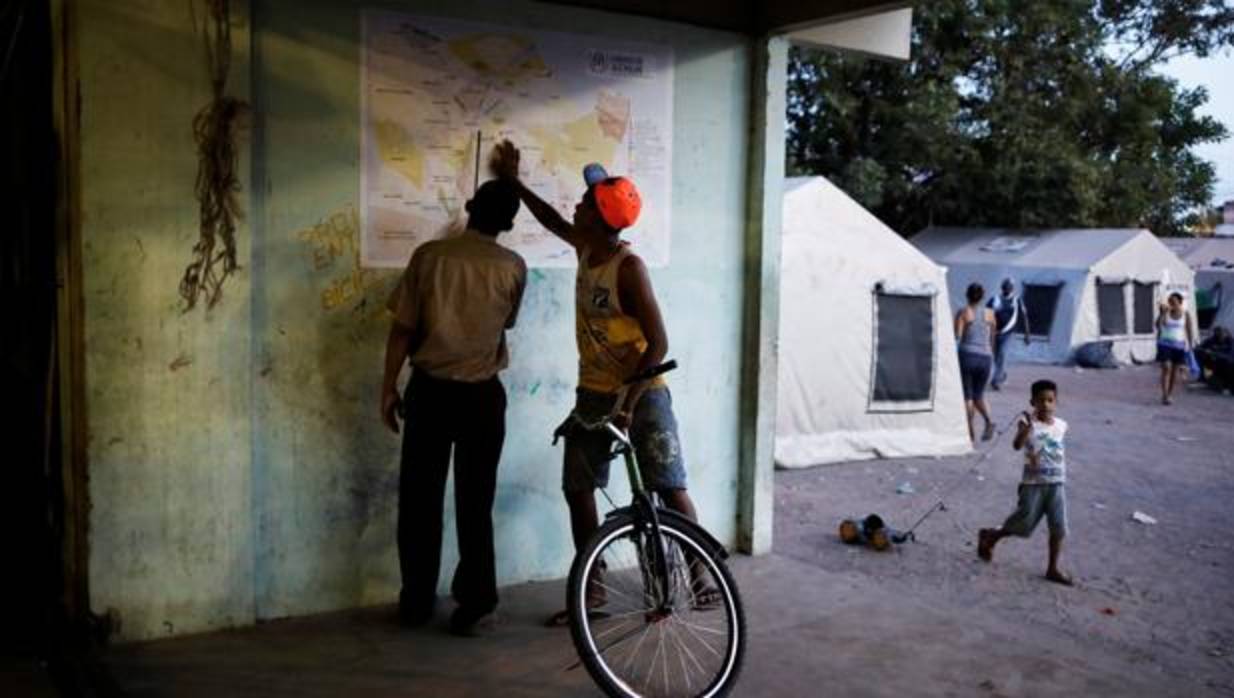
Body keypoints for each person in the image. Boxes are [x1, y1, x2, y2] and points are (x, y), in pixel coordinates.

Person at [489, 140, 713, 626]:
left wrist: (629, 401)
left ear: (600, 217)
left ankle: (700, 577)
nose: (577, 204)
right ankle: (593, 592)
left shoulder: (628, 269)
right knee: (578, 488)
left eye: (585, 202)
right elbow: (550, 219)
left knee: (668, 485)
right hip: (593, 392)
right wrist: (513, 181)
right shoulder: (588, 245)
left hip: (642, 393)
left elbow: (658, 344)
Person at [380, 179, 527, 636]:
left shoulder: (428, 257)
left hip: (431, 392)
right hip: (484, 397)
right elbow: (506, 323)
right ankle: (477, 601)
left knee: (420, 500)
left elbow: (403, 329)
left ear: (468, 208)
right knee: (475, 501)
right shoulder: (513, 267)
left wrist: (388, 386)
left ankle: (417, 601)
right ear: (508, 223)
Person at [977, 379, 1073, 586]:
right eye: (1041, 401)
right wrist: (1026, 429)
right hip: (1032, 484)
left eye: (1050, 400)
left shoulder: (1061, 425)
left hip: (1056, 483)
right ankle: (992, 536)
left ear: (1056, 402)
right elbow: (1016, 445)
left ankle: (1052, 568)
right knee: (1023, 522)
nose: (1046, 405)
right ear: (1032, 402)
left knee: (1059, 527)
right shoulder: (1027, 423)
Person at [955, 282, 997, 442]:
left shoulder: (964, 312)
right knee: (979, 394)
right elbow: (993, 338)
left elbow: (957, 336)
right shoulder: (990, 314)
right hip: (986, 357)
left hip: (967, 355)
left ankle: (970, 429)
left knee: (967, 396)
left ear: (967, 295)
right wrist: (991, 357)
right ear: (982, 296)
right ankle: (989, 421)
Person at [986, 278, 1031, 390]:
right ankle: (1002, 374)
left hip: (1008, 333)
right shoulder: (995, 299)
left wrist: (1027, 334)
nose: (1007, 288)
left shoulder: (1017, 300)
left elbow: (1024, 317)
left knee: (1002, 354)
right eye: (1005, 286)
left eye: (1009, 286)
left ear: (1012, 288)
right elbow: (986, 314)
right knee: (996, 356)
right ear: (1002, 287)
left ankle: (996, 381)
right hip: (995, 332)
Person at [1155, 292, 1196, 405]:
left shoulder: (1185, 314)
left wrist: (1191, 345)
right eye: (1170, 300)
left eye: (1174, 300)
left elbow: (1189, 329)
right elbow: (1158, 325)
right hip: (1164, 344)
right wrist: (1162, 313)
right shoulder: (1166, 312)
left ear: (1180, 302)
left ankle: (1169, 394)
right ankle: (1164, 395)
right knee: (1166, 367)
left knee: (1174, 372)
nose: (1171, 303)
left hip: (1179, 346)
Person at [1196, 325, 1234, 392]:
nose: (1221, 336)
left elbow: (1230, 352)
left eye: (1222, 334)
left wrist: (1216, 351)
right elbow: (1200, 347)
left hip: (1227, 362)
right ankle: (1203, 377)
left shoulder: (1230, 341)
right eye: (1219, 333)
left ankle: (1225, 384)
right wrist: (1206, 351)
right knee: (1203, 357)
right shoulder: (1212, 340)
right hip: (1214, 361)